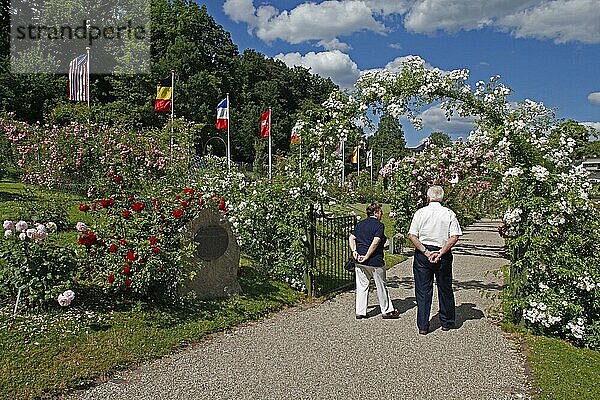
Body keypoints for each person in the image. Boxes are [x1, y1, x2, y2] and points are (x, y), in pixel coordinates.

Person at [408, 185, 462, 335]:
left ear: (428, 198)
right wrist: (441, 252)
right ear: (442, 198)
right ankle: (446, 322)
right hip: (442, 252)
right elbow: (455, 236)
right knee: (445, 288)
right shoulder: (449, 213)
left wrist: (426, 252)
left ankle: (423, 325)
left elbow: (412, 235)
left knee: (423, 290)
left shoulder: (420, 213)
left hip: (423, 253)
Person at [349, 203, 399, 319]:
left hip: (359, 260)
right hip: (375, 261)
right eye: (380, 212)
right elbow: (376, 242)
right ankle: (386, 310)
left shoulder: (360, 224)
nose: (382, 214)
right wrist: (367, 256)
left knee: (362, 286)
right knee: (381, 285)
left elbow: (351, 237)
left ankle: (360, 311)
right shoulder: (379, 226)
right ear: (376, 213)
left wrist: (354, 251)